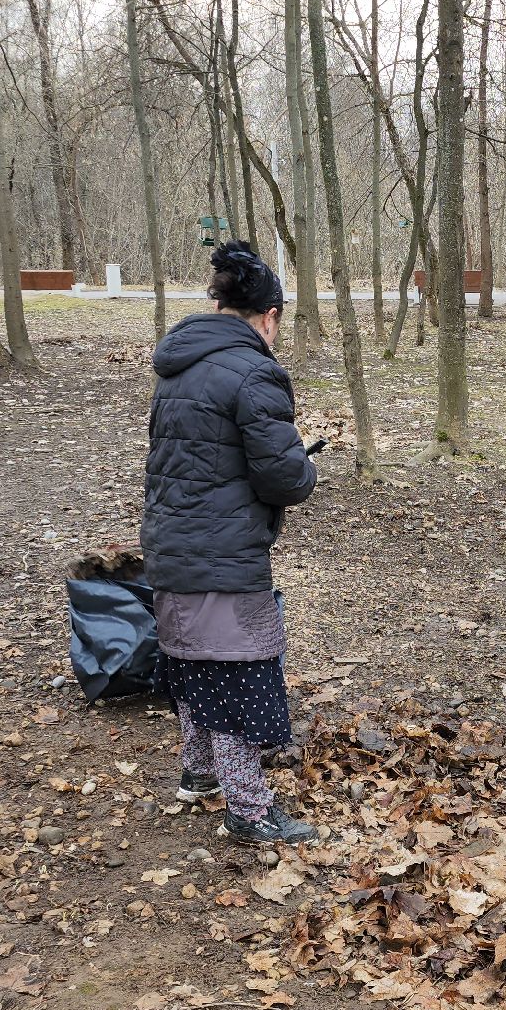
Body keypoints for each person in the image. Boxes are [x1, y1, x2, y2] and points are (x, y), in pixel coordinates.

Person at [141, 241, 319, 845]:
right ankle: (248, 808)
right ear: (268, 316)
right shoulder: (254, 371)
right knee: (237, 676)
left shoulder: (178, 365)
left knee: (193, 663)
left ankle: (197, 773)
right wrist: (305, 464)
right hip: (224, 556)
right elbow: (283, 477)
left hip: (171, 547)